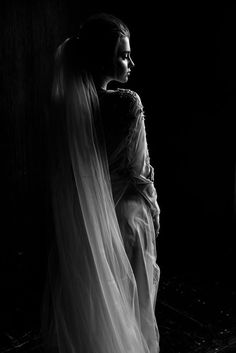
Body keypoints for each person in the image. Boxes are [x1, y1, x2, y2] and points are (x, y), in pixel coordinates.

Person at [42, 12, 160, 353]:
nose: (131, 62)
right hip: (127, 218)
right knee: (134, 307)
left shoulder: (64, 105)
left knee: (100, 307)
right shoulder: (127, 103)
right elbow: (141, 172)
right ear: (101, 58)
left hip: (86, 221)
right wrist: (154, 211)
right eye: (123, 55)